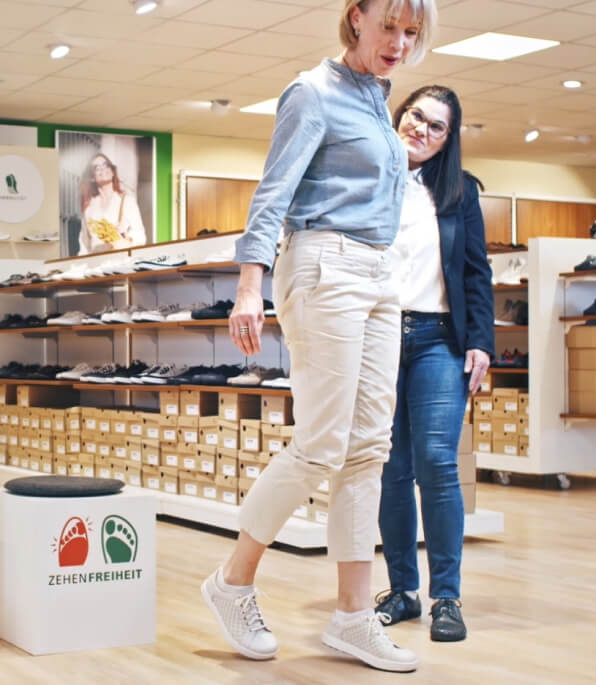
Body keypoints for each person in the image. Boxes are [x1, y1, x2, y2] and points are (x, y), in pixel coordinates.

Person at [201, 0, 438, 674]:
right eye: (389, 25)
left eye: (412, 32)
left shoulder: (376, 104)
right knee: (322, 444)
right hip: (324, 264)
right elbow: (272, 194)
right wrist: (250, 285)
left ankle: (353, 618)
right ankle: (233, 580)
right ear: (357, 16)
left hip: (378, 275)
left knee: (369, 449)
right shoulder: (314, 92)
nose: (400, 42)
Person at [374, 84, 489, 643]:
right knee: (391, 468)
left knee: (437, 464)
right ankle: (402, 590)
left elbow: (475, 273)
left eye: (436, 125)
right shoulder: (369, 176)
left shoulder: (459, 193)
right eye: (416, 115)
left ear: (448, 140)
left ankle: (447, 596)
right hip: (376, 336)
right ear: (401, 115)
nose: (421, 128)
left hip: (438, 339)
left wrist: (483, 341)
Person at [79, 153, 146, 253]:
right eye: (97, 167)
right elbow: (84, 245)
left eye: (106, 165)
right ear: (92, 177)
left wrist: (126, 234)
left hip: (120, 263)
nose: (102, 169)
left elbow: (141, 237)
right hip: (97, 263)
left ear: (112, 171)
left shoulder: (127, 201)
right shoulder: (89, 208)